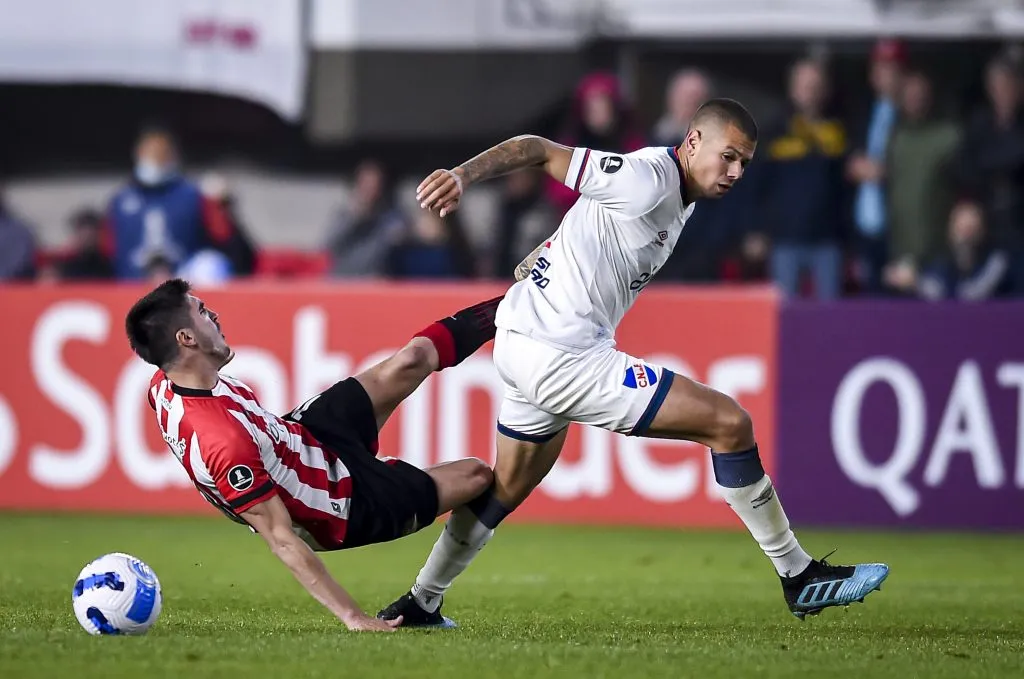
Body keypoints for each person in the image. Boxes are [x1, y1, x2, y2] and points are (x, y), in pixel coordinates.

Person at [378, 98, 889, 627]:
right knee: (728, 423)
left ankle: (421, 601)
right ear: (693, 141)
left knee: (505, 486)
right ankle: (799, 575)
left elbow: (593, 225)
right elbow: (538, 149)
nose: (734, 172)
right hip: (562, 353)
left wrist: (548, 252)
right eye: (727, 156)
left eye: (745, 163)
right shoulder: (647, 179)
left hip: (529, 342)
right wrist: (462, 176)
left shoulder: (680, 196)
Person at [125, 278, 503, 632]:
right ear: (186, 338)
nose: (215, 316)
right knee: (476, 476)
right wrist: (354, 617)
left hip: (308, 437)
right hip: (343, 503)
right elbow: (281, 538)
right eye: (203, 311)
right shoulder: (224, 441)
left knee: (413, 357)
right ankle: (425, 601)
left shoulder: (167, 384)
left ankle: (521, 304)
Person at [107, 127, 247, 280]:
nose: (156, 159)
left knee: (211, 264)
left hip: (183, 285)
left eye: (162, 153)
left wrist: (223, 208)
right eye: (152, 153)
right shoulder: (121, 200)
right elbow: (107, 250)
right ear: (139, 154)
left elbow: (228, 241)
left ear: (173, 155)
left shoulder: (194, 195)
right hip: (130, 286)